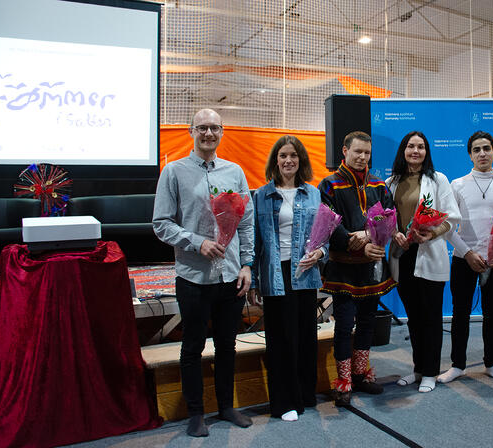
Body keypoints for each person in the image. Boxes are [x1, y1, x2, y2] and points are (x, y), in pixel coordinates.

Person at [153, 108, 254, 437]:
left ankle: (226, 406)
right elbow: (161, 224)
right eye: (202, 128)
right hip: (194, 277)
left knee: (227, 345)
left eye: (214, 128)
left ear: (222, 132)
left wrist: (247, 264)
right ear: (190, 131)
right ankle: (196, 412)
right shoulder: (174, 172)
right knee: (193, 346)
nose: (208, 133)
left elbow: (246, 222)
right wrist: (197, 243)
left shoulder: (236, 172)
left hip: (231, 277)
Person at [318, 131, 397, 407]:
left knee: (367, 323)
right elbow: (329, 225)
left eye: (367, 153)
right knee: (343, 326)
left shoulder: (379, 185)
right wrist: (358, 241)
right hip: (343, 267)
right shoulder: (329, 184)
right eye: (358, 152)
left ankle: (361, 374)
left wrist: (375, 238)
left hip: (372, 266)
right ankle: (343, 382)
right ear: (345, 151)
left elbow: (389, 216)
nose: (363, 157)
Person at [248, 135, 323, 422]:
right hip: (275, 274)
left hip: (305, 272)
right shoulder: (262, 195)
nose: (288, 160)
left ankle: (305, 395)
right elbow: (254, 240)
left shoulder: (313, 193)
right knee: (281, 342)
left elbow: (323, 235)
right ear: (275, 161)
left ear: (301, 160)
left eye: (294, 155)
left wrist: (321, 252)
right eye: (283, 156)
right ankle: (283, 403)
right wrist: (253, 280)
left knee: (306, 338)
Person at [437, 131, 493, 384]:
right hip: (464, 259)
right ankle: (457, 365)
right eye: (476, 149)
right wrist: (467, 252)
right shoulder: (457, 184)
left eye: (486, 148)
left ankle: (491, 364)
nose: (482, 153)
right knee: (460, 313)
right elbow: (448, 226)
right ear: (470, 155)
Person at [387, 131, 461, 393]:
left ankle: (431, 372)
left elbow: (452, 218)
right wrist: (393, 233)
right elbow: (386, 219)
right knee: (414, 319)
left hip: (429, 254)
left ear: (427, 152)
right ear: (403, 151)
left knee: (430, 317)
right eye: (410, 146)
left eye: (420, 147)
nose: (415, 151)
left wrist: (432, 232)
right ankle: (418, 369)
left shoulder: (438, 179)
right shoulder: (391, 182)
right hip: (403, 255)